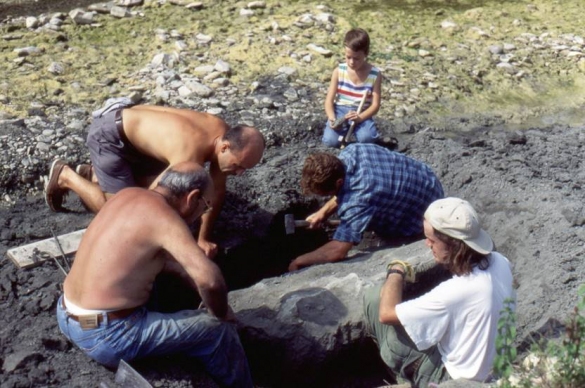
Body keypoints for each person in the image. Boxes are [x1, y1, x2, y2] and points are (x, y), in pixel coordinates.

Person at [56, 162, 254, 388]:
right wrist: (220, 313)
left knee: (160, 271)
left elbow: (172, 264)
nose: (203, 213)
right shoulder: (165, 217)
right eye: (205, 207)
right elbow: (210, 280)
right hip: (107, 336)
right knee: (218, 332)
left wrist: (191, 284)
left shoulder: (128, 195)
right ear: (193, 198)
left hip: (67, 315)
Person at [44, 104, 265, 258]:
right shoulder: (190, 154)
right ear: (225, 147)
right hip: (110, 135)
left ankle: (95, 174)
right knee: (123, 212)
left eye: (244, 169)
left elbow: (216, 191)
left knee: (164, 193)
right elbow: (149, 204)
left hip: (139, 135)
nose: (238, 173)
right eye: (237, 166)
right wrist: (176, 246)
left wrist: (203, 239)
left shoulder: (222, 134)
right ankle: (66, 176)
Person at [363, 197, 515, 387]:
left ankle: (403, 378)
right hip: (490, 367)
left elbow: (386, 314)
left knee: (374, 298)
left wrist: (395, 271)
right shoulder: (501, 261)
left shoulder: (454, 292)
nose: (427, 244)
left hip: (452, 378)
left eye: (431, 240)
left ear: (452, 245)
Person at [288, 143, 444, 271]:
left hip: (422, 214)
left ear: (338, 182)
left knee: (376, 222)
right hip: (427, 179)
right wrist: (322, 213)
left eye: (327, 193)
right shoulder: (353, 151)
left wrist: (299, 261)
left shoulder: (359, 200)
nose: (326, 197)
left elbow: (338, 250)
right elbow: (348, 190)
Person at [322, 28, 382, 148]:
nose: (352, 62)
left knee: (367, 139)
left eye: (356, 58)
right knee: (330, 141)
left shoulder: (375, 74)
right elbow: (329, 101)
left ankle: (355, 132)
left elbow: (375, 106)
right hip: (340, 110)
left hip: (361, 112)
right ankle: (343, 131)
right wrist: (333, 119)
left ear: (366, 53)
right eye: (348, 57)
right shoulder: (339, 71)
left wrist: (360, 118)